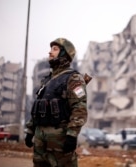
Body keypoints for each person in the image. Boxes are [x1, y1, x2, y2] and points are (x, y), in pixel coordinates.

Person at [25, 38, 91, 167]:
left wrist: (72, 135)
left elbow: (79, 108)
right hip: (40, 141)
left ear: (64, 54)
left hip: (59, 140)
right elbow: (38, 107)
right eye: (51, 49)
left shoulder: (73, 79)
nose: (50, 52)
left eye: (55, 49)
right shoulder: (46, 81)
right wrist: (30, 131)